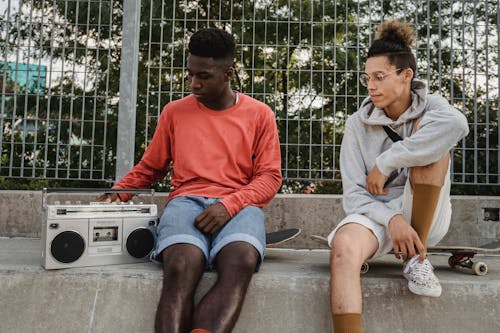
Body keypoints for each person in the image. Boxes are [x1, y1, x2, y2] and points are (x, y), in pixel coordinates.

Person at [99, 27, 282, 333]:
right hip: (186, 202)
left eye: (204, 76)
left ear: (228, 74)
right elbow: (151, 167)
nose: (194, 83)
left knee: (241, 262)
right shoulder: (174, 112)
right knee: (181, 265)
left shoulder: (259, 114)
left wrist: (229, 205)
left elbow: (269, 176)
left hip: (238, 205)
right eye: (190, 74)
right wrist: (118, 193)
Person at [327, 20, 469, 333]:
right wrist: (392, 220)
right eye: (367, 78)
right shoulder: (356, 124)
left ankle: (417, 260)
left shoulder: (432, 108)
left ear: (406, 76)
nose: (371, 86)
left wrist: (388, 161)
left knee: (432, 152)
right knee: (343, 248)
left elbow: (458, 125)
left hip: (425, 218)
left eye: (379, 77)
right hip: (379, 217)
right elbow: (353, 195)